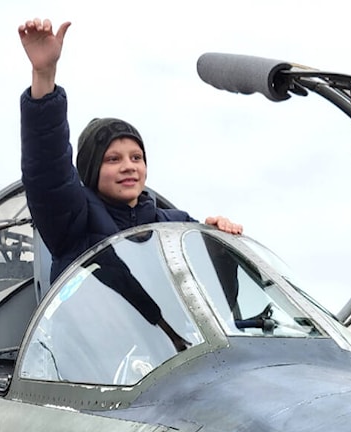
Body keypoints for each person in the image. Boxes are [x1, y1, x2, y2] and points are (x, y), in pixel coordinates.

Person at [17, 17, 244, 286]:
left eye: (136, 157)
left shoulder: (175, 226)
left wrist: (219, 240)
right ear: (91, 169)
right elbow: (48, 169)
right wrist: (44, 76)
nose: (129, 166)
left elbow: (211, 291)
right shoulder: (75, 222)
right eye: (113, 159)